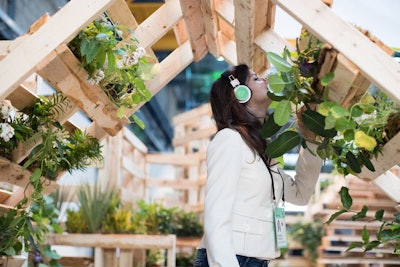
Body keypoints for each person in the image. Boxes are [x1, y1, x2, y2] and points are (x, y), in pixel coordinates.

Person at [193, 64, 323, 267]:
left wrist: (312, 139)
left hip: (255, 260)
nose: (265, 80)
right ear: (240, 93)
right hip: (230, 259)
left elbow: (300, 195)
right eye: (255, 78)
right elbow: (216, 213)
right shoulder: (229, 140)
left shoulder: (263, 152)